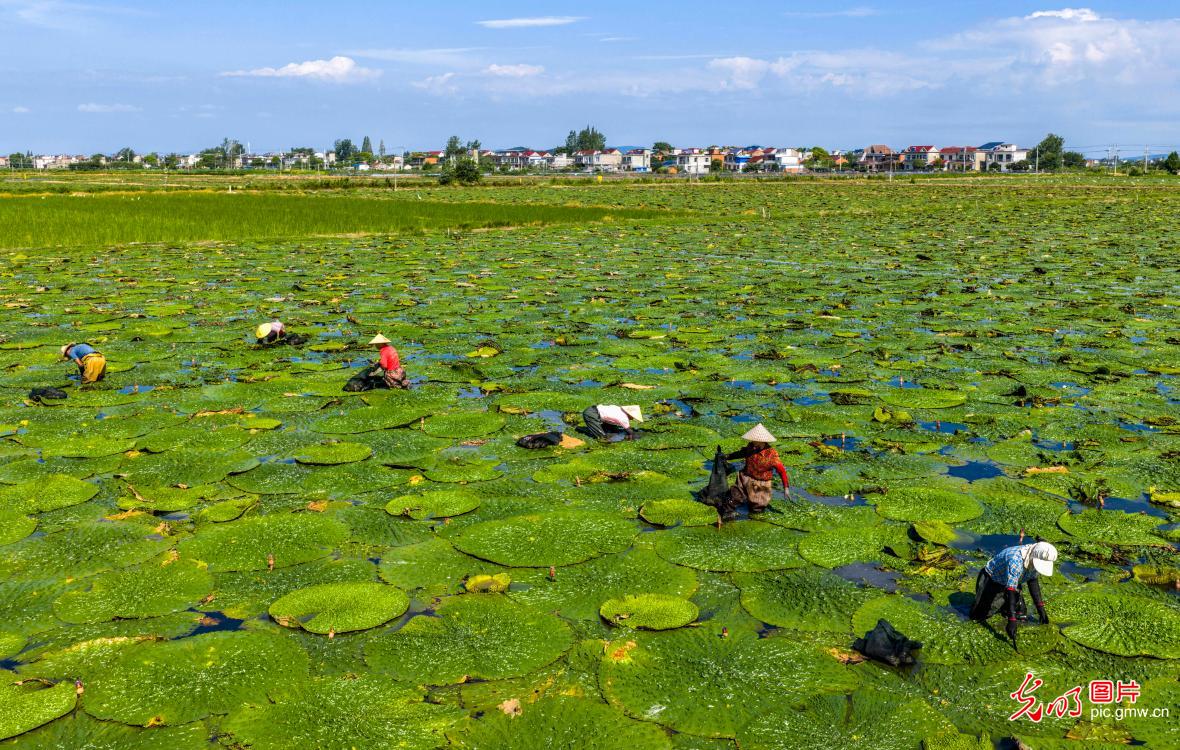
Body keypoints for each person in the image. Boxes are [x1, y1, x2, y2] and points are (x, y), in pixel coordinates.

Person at [969, 541, 1057, 645]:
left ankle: (1005, 609)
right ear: (1034, 556)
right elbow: (1010, 590)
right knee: (979, 615)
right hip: (992, 580)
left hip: (1014, 581)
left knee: (1020, 613)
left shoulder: (1035, 556)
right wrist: (1011, 619)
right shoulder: (1015, 560)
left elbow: (1033, 581)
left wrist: (1040, 608)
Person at [722, 423, 789, 520]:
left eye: (754, 440)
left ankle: (753, 519)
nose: (751, 441)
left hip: (761, 483)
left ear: (761, 441)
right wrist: (727, 456)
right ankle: (728, 515)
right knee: (734, 497)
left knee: (757, 507)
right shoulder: (751, 447)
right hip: (745, 477)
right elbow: (741, 453)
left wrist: (786, 488)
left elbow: (782, 471)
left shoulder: (772, 455)